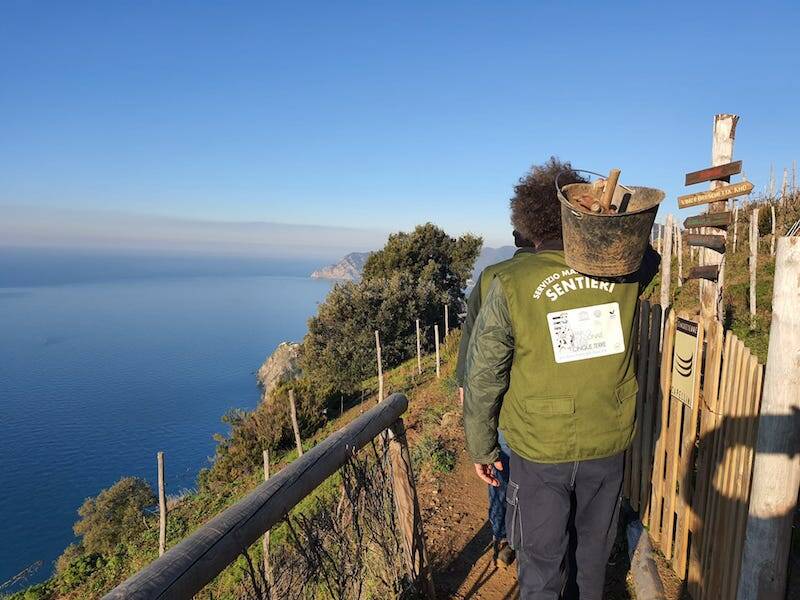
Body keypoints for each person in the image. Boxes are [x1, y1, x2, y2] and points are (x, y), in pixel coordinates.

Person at [463, 157, 659, 599]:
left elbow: (484, 373)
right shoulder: (625, 273)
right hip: (607, 439)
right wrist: (608, 227)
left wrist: (481, 445)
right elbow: (651, 257)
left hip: (538, 447)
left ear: (529, 223)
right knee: (592, 560)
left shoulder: (510, 281)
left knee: (543, 564)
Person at [455, 229, 535, 568]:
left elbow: (470, 336)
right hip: (539, 402)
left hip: (500, 398)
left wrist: (465, 388)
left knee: (500, 469)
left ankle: (502, 537)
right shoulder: (570, 277)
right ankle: (529, 541)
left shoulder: (492, 276)